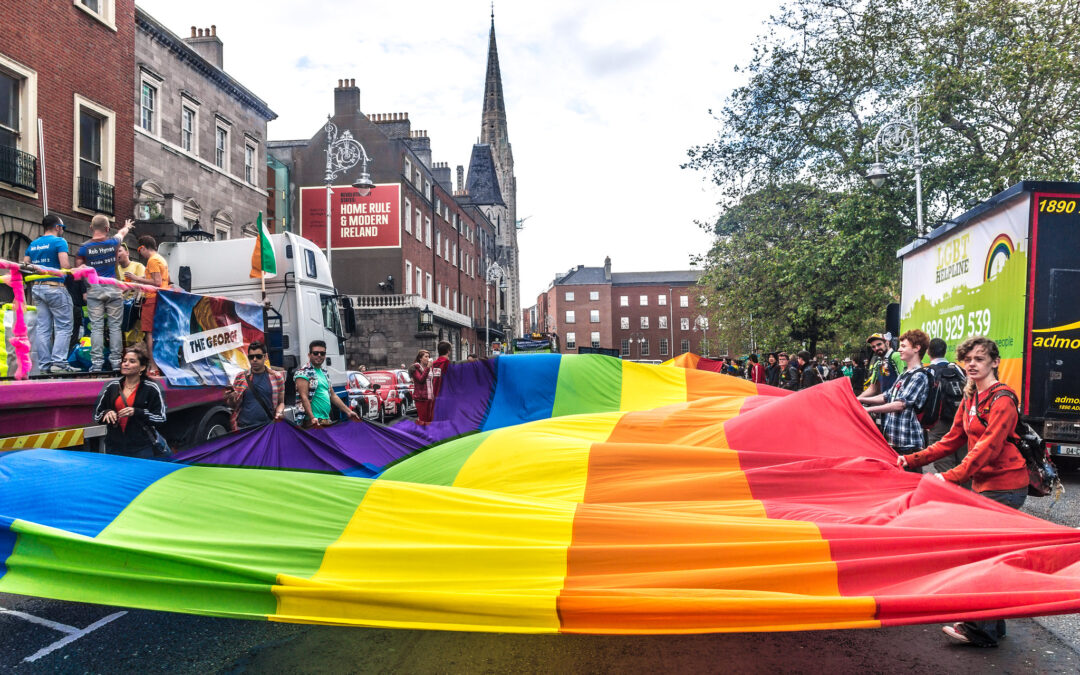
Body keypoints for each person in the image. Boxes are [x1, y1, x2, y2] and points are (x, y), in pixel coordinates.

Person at [899, 336, 1028, 648]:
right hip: (984, 483)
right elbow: (952, 438)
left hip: (1007, 485)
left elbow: (988, 447)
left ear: (995, 362)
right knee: (989, 554)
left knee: (982, 554)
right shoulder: (972, 396)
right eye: (967, 358)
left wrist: (950, 476)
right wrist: (912, 459)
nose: (972, 364)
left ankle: (980, 628)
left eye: (980, 359)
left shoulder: (1003, 399)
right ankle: (991, 625)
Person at [861, 329, 931, 466]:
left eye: (903, 346)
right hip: (895, 441)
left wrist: (869, 410)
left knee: (911, 483)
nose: (899, 349)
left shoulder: (919, 376)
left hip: (908, 443)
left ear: (917, 348)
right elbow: (887, 396)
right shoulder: (905, 374)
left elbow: (900, 404)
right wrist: (859, 400)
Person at [77, 215, 134, 372]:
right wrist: (127, 226)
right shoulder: (113, 242)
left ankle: (96, 364)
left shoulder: (83, 248)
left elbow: (79, 272)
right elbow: (122, 233)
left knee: (96, 327)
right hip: (113, 288)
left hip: (94, 289)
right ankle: (116, 363)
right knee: (115, 327)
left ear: (91, 228)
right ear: (107, 229)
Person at [92, 345, 167, 458]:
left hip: (141, 449)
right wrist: (107, 413)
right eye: (124, 361)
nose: (126, 364)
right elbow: (97, 416)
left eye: (132, 361)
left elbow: (161, 418)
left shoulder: (151, 388)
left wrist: (136, 412)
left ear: (142, 367)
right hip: (114, 448)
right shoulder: (113, 387)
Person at [23, 214, 76, 373]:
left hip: (37, 287)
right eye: (61, 228)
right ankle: (59, 363)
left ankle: (44, 366)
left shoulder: (33, 244)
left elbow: (25, 266)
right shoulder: (60, 242)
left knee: (43, 328)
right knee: (64, 326)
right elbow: (64, 265)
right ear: (57, 227)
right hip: (55, 287)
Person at [123, 236, 170, 376]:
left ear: (143, 247)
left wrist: (136, 279)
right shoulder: (161, 259)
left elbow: (156, 282)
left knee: (149, 333)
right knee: (157, 333)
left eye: (139, 250)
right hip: (161, 298)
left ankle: (153, 367)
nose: (140, 253)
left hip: (151, 298)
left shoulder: (153, 260)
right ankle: (159, 365)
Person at [925, 337, 970, 474]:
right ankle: (965, 492)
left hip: (939, 422)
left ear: (928, 352)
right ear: (945, 351)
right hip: (960, 418)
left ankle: (950, 491)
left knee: (943, 458)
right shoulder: (957, 368)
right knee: (963, 458)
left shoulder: (928, 371)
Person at [294, 340, 360, 428]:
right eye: (316, 353)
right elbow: (303, 397)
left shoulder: (324, 372)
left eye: (322, 353)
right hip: (313, 422)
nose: (319, 356)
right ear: (309, 355)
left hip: (325, 420)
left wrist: (348, 411)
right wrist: (312, 417)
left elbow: (333, 395)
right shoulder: (303, 373)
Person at [225, 340, 285, 431]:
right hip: (243, 429)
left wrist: (279, 413)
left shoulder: (277, 377)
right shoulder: (240, 377)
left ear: (265, 357)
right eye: (251, 357)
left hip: (267, 428)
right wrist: (230, 398)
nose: (254, 359)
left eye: (258, 356)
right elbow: (233, 405)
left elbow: (281, 402)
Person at [858, 333, 905, 402]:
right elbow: (873, 389)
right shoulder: (878, 363)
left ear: (887, 343)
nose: (876, 348)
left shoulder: (896, 356)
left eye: (879, 344)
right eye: (873, 347)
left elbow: (905, 382)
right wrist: (856, 399)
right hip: (886, 405)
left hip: (899, 403)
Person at [411, 349, 434, 425]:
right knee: (422, 419)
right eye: (426, 356)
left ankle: (429, 434)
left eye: (429, 357)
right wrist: (427, 367)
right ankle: (421, 434)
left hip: (430, 397)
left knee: (429, 419)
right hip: (421, 398)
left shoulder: (431, 368)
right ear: (420, 358)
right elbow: (421, 380)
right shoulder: (415, 368)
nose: (428, 358)